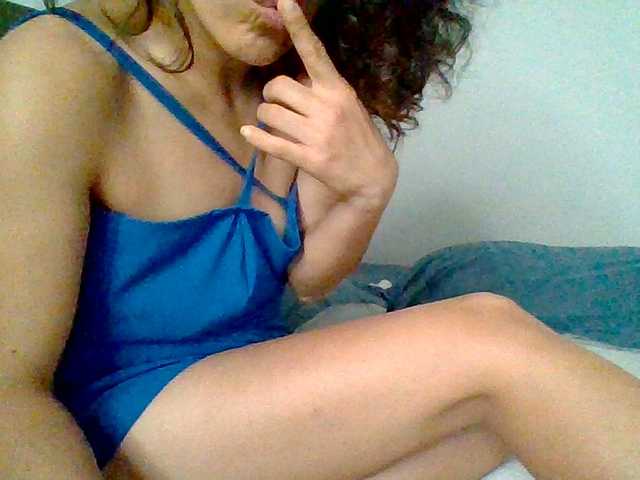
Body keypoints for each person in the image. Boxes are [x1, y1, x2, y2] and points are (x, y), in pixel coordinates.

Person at [0, 0, 638, 479]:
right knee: (491, 339)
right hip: (118, 428)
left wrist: (367, 194)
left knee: (503, 428)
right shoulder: (58, 65)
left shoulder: (284, 93)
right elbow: (10, 394)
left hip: (238, 401)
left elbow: (307, 281)